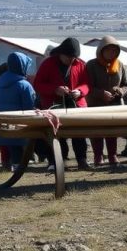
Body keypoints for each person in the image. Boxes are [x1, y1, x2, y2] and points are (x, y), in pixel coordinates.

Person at [33, 37, 92, 171]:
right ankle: (55, 161)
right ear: (61, 53)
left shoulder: (80, 64)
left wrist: (80, 91)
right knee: (55, 134)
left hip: (76, 106)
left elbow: (86, 84)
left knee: (79, 134)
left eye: (73, 57)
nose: (71, 60)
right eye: (68, 57)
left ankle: (82, 159)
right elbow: (38, 84)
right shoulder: (48, 64)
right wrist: (55, 89)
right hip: (53, 106)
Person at [0, 52, 38, 172]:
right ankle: (20, 165)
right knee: (21, 145)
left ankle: (12, 164)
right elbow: (29, 106)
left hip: (3, 122)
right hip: (21, 123)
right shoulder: (25, 85)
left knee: (11, 145)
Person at [85, 36, 127, 167]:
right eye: (108, 50)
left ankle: (112, 156)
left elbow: (126, 84)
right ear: (101, 51)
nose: (111, 53)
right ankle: (98, 156)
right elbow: (87, 86)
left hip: (113, 105)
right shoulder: (91, 65)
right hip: (95, 104)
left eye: (114, 50)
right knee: (96, 130)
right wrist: (101, 94)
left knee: (112, 131)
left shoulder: (119, 64)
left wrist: (120, 91)